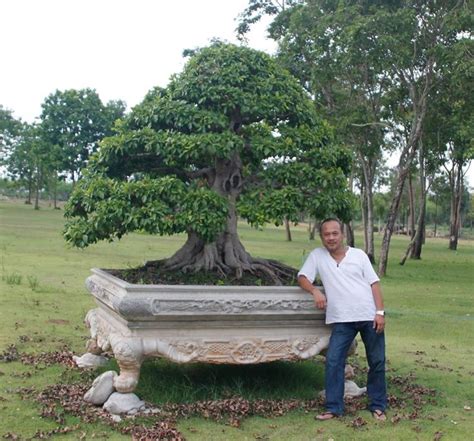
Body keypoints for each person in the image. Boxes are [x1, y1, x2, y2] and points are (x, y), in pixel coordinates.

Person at [298, 218, 387, 421]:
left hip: (368, 315)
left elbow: (374, 284)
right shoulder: (318, 256)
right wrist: (315, 292)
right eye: (326, 234)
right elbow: (302, 277)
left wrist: (380, 312)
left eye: (334, 233)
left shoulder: (359, 255)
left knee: (377, 361)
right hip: (342, 319)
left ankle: (378, 405)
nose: (331, 237)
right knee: (334, 360)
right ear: (322, 237)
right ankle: (334, 407)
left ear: (342, 234)